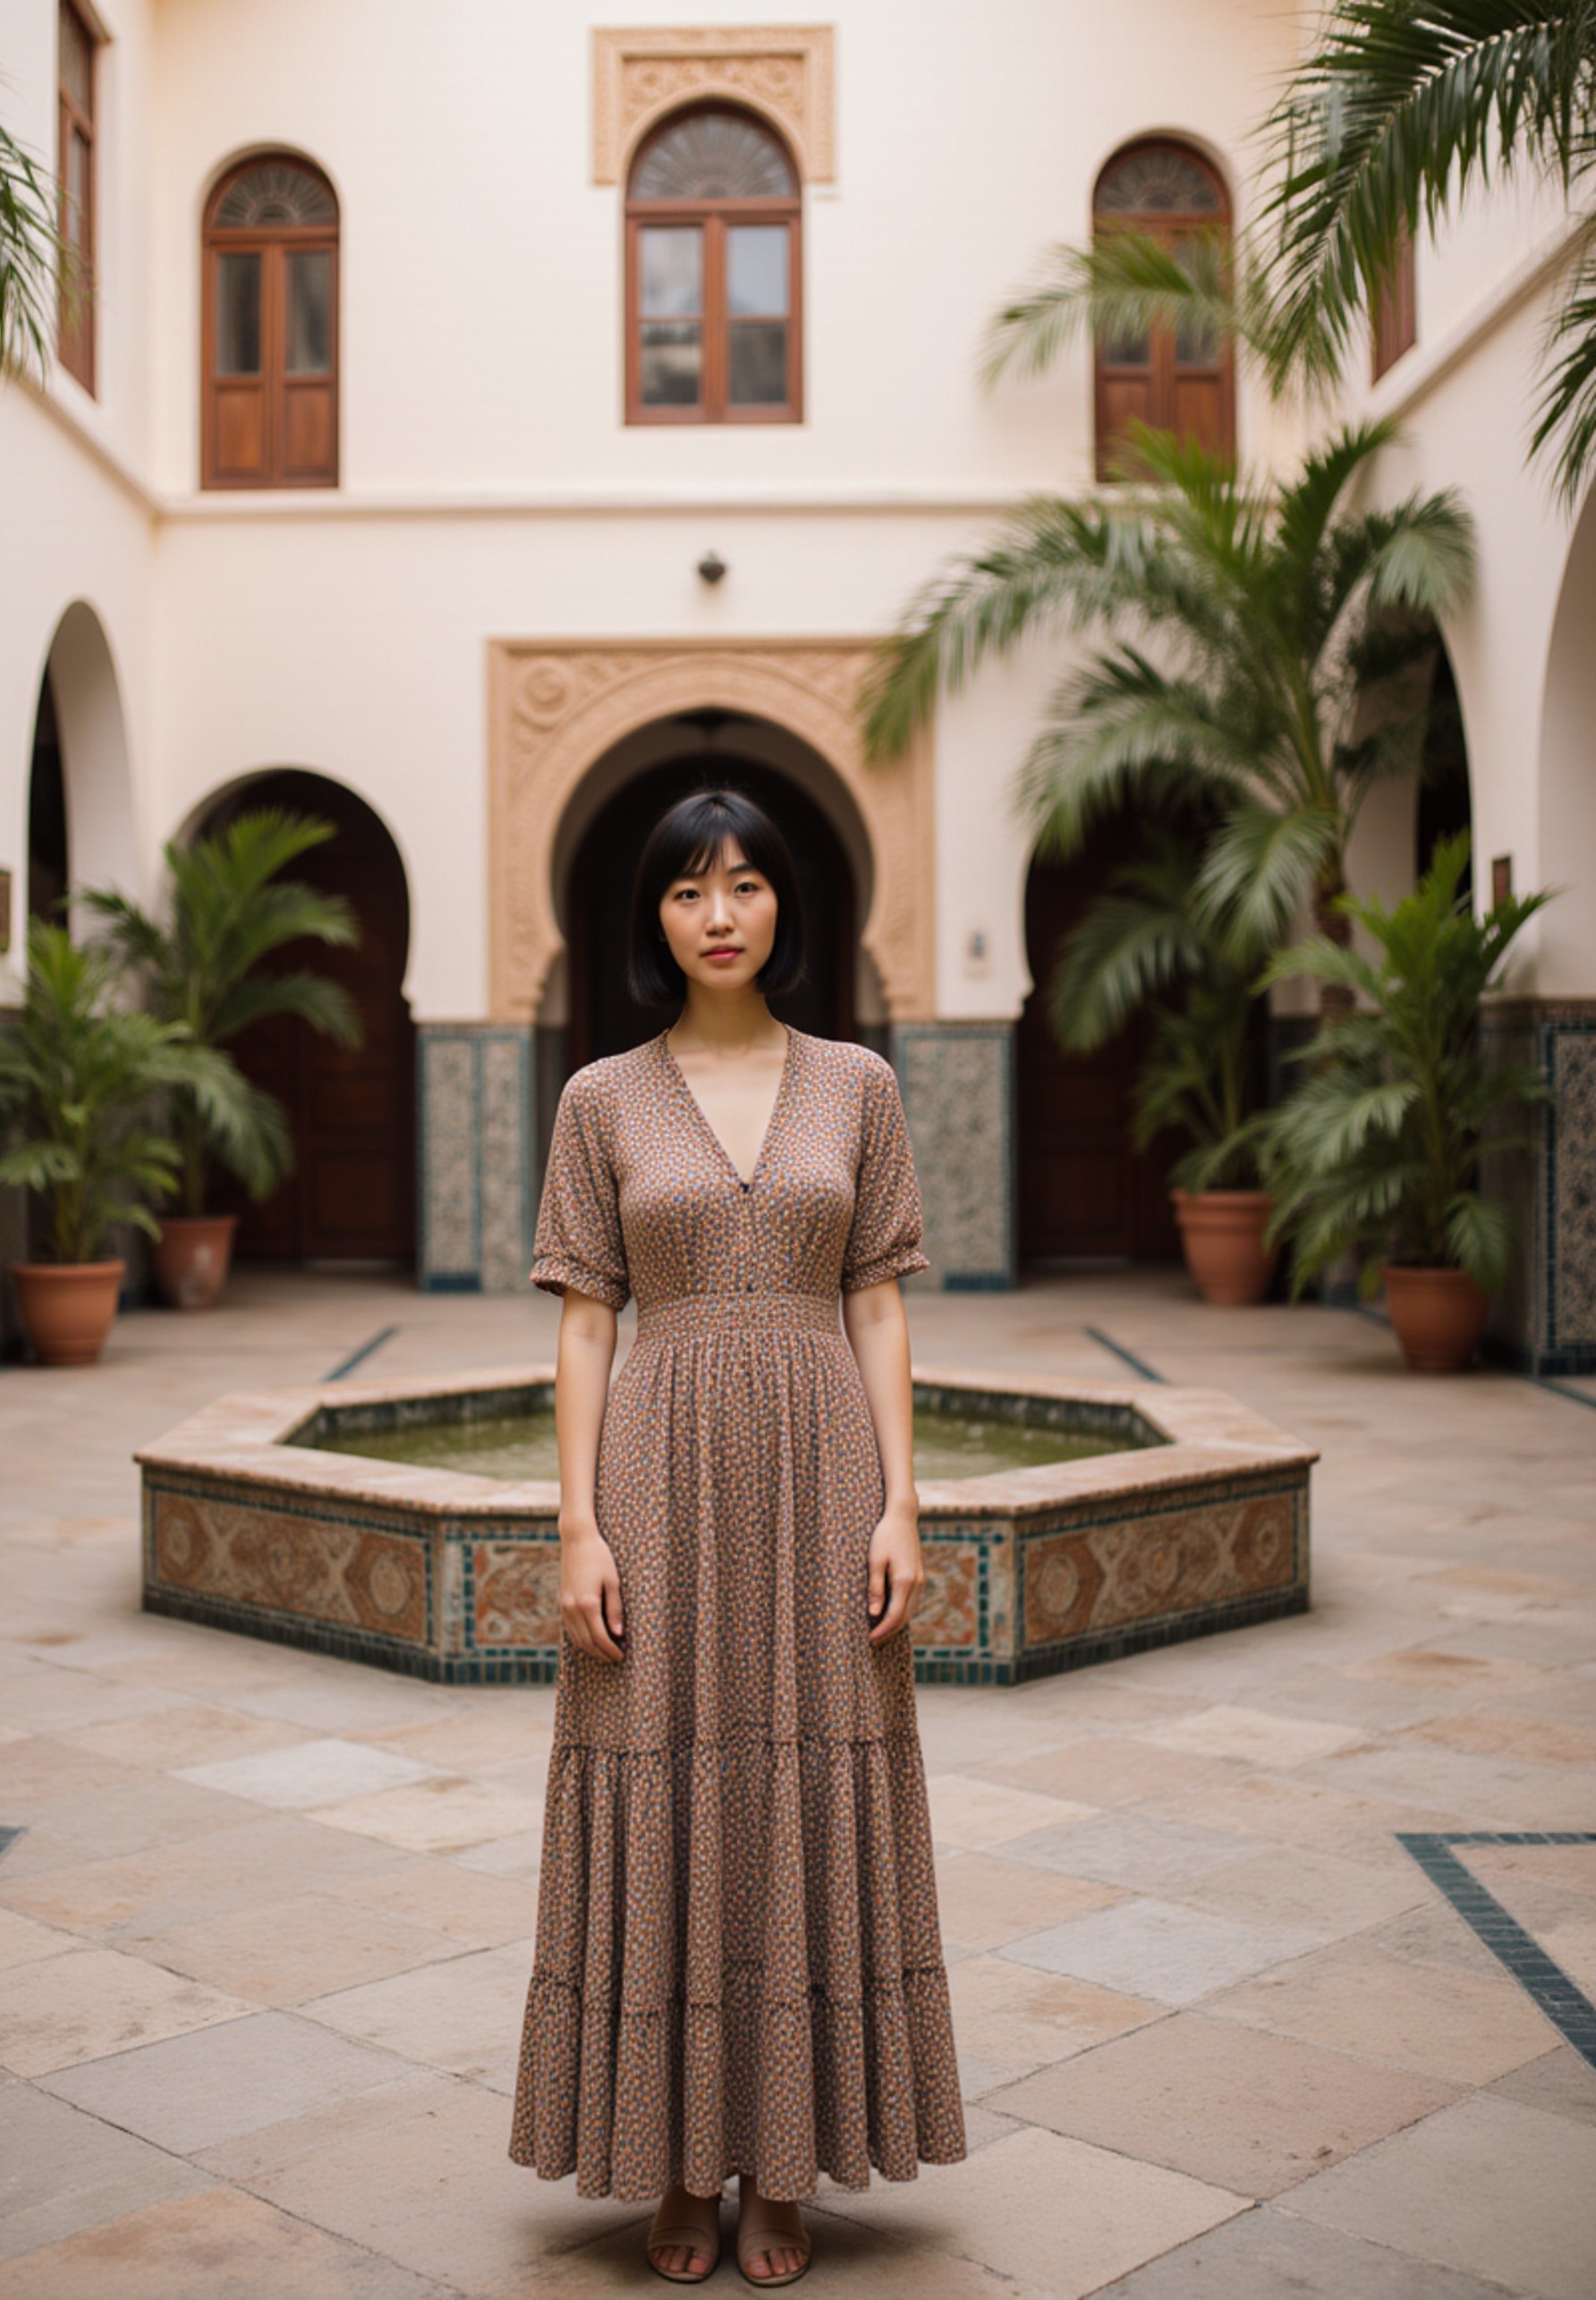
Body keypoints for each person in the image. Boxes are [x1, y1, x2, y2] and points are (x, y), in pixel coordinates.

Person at [509, 786, 965, 2287]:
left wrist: (902, 1499)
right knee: (666, 1789)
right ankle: (670, 2165)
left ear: (787, 907)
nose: (721, 913)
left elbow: (881, 1299)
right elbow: (587, 1325)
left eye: (748, 885)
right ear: (652, 918)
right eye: (691, 890)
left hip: (826, 1467)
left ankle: (785, 2164)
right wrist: (577, 1526)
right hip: (659, 1470)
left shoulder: (859, 1087)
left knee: (804, 1794)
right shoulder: (601, 1100)